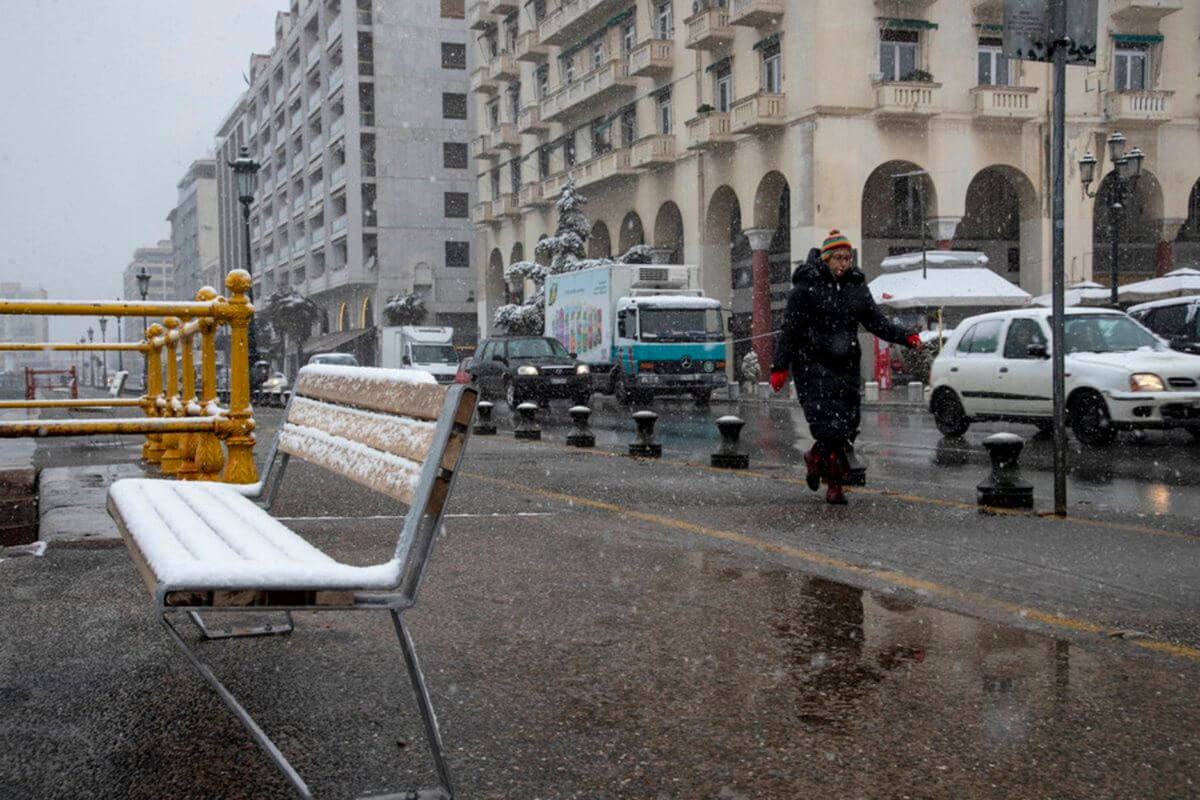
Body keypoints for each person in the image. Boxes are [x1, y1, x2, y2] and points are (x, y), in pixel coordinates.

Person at [769, 230, 921, 505]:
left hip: (846, 366)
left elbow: (877, 322)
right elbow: (790, 330)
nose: (843, 263)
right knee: (831, 430)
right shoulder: (806, 288)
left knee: (847, 428)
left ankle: (814, 458)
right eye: (838, 258)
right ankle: (835, 485)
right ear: (825, 259)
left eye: (847, 258)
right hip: (813, 366)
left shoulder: (856, 287)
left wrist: (905, 336)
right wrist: (779, 367)